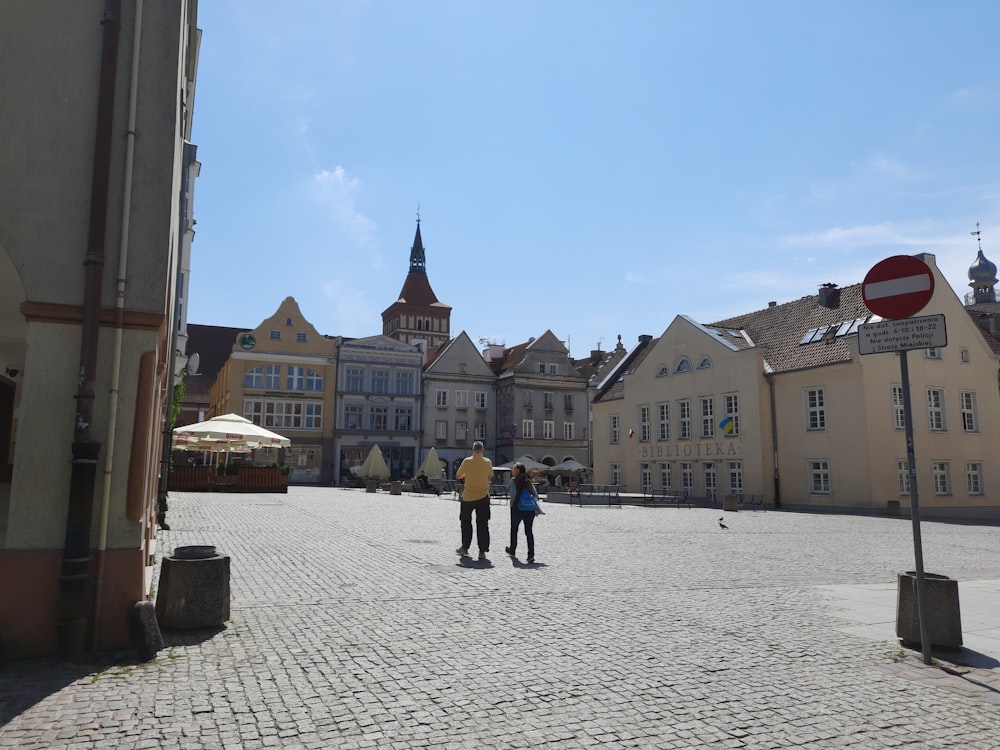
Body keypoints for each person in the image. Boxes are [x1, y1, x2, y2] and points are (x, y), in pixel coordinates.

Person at [455, 441, 493, 560]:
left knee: (466, 522)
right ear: (482, 450)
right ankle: (482, 551)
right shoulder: (487, 462)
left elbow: (458, 475)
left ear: (473, 450)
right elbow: (489, 476)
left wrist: (467, 474)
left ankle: (465, 547)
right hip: (483, 496)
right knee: (482, 523)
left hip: (468, 496)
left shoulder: (467, 461)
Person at [505, 462, 540, 563]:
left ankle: (512, 549)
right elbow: (535, 494)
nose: (512, 470)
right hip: (529, 509)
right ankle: (531, 554)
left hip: (517, 509)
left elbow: (513, 495)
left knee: (514, 529)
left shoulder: (514, 480)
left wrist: (512, 506)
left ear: (518, 470)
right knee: (529, 531)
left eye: (514, 468)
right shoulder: (528, 479)